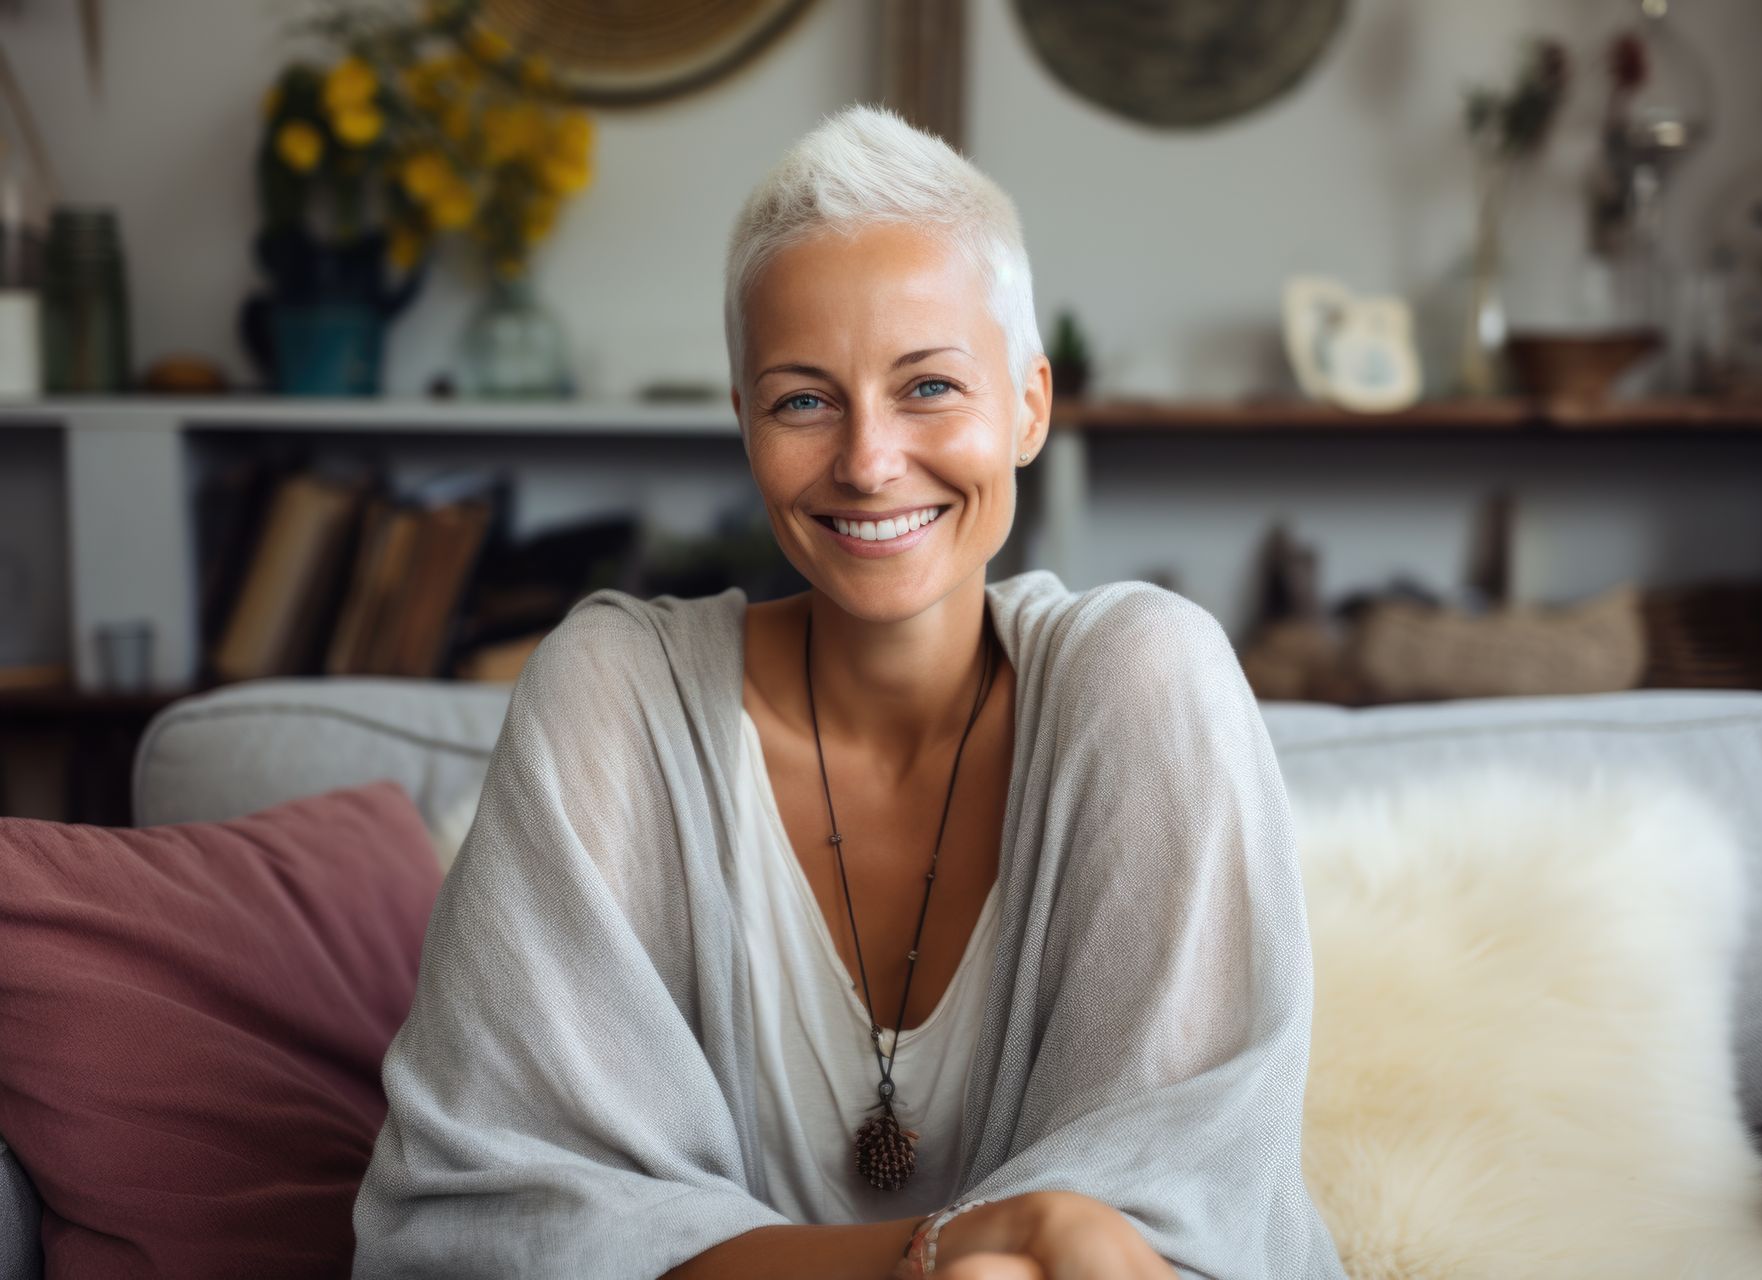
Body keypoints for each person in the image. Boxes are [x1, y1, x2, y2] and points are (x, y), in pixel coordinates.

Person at [351, 103, 1347, 1280]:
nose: (869, 460)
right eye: (803, 400)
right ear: (744, 424)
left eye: (928, 387)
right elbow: (496, 1217)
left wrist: (995, 1261)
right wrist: (947, 1252)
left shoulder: (1145, 677)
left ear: (1028, 406)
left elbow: (1185, 1210)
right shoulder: (616, 696)